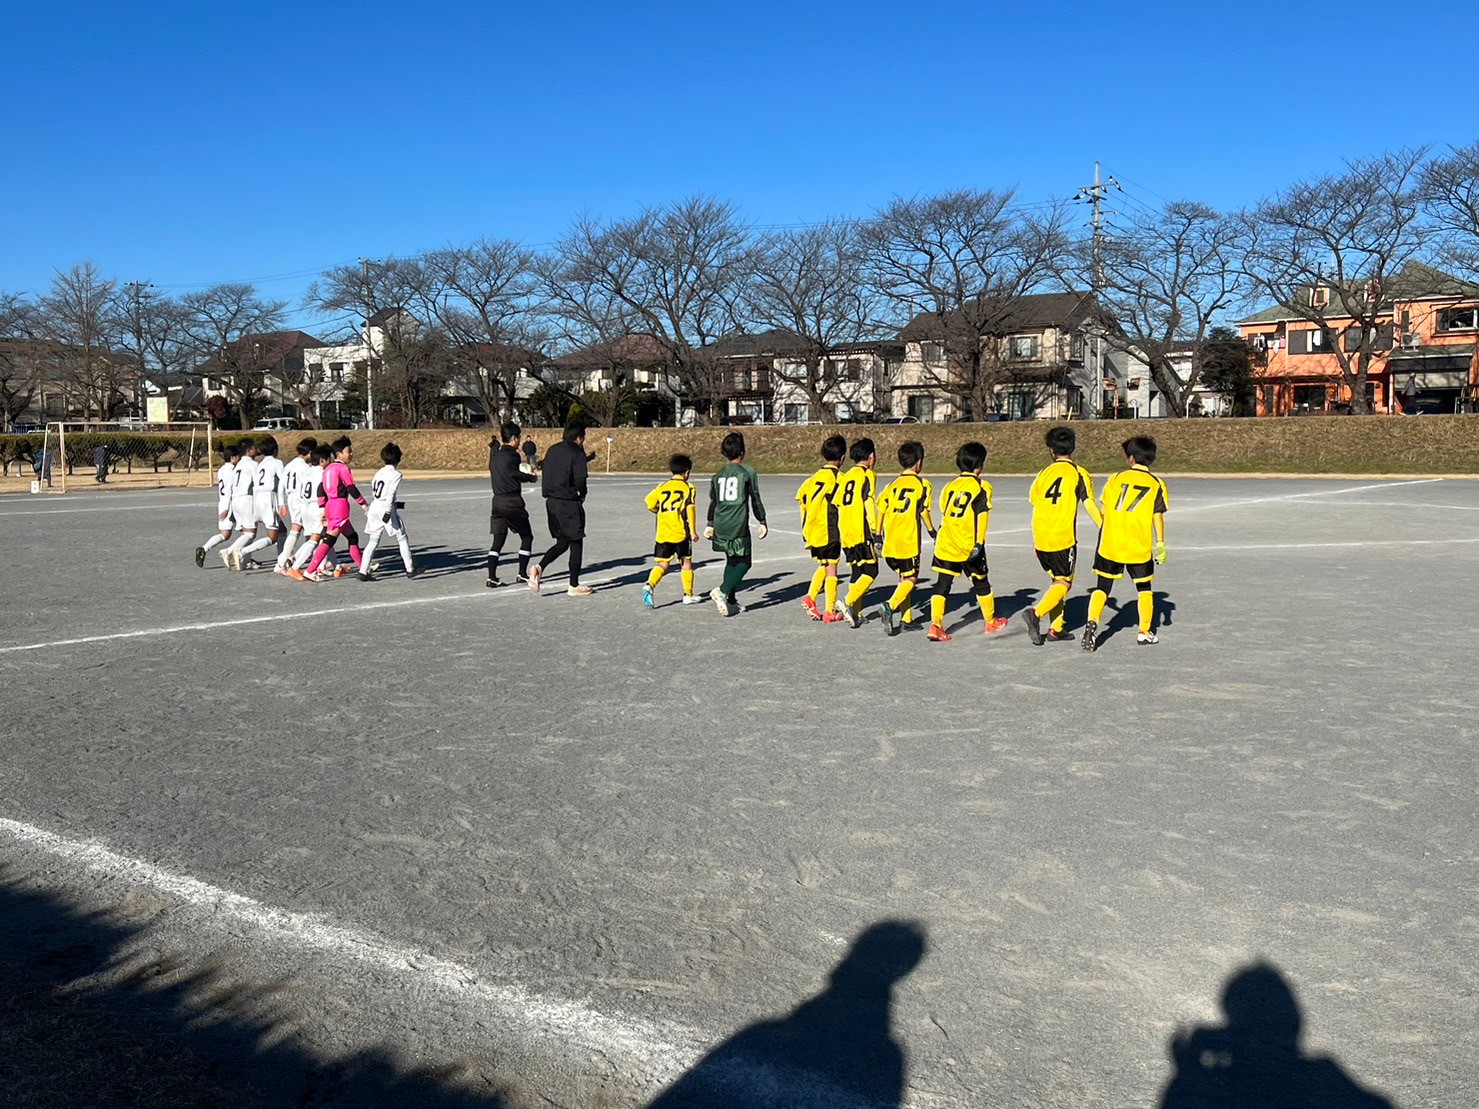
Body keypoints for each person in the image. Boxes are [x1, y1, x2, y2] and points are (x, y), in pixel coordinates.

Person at [1084, 435, 1169, 652]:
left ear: (1131, 459)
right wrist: (1160, 543)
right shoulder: (1156, 484)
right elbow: (1157, 515)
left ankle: (1092, 623)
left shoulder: (1116, 478)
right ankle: (1144, 631)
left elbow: (1103, 508)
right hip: (1137, 545)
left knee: (1102, 586)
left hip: (1110, 542)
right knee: (1144, 588)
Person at [1022, 426, 1101, 645]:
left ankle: (1056, 628)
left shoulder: (1042, 474)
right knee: (1064, 582)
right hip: (1062, 537)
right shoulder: (1078, 472)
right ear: (1073, 448)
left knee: (1056, 581)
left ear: (1051, 451)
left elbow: (1035, 503)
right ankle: (1035, 614)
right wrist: (1105, 528)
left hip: (1041, 536)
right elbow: (1090, 505)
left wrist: (1036, 538)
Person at [926, 441, 1008, 643]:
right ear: (979, 465)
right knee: (981, 582)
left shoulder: (949, 486)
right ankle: (990, 621)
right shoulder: (981, 486)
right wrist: (979, 543)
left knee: (942, 585)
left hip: (946, 542)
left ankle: (935, 625)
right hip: (968, 544)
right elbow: (982, 515)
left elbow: (945, 512)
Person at [873, 441, 935, 636]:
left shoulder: (892, 485)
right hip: (908, 542)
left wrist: (877, 534)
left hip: (891, 541)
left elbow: (880, 508)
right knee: (911, 578)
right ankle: (889, 606)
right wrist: (933, 531)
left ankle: (906, 619)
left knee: (903, 578)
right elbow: (923, 511)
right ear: (919, 463)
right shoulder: (922, 484)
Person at [704, 432, 767, 617]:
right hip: (737, 523)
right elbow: (755, 498)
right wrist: (762, 520)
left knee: (731, 560)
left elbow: (713, 501)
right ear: (742, 452)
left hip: (720, 522)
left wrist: (710, 523)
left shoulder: (718, 475)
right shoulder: (747, 472)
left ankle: (731, 601)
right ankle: (722, 591)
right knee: (745, 562)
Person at [530, 423, 592, 597]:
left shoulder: (552, 450)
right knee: (576, 541)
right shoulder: (577, 452)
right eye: (583, 438)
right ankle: (573, 585)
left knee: (563, 541)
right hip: (568, 502)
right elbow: (580, 478)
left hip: (551, 502)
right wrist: (582, 494)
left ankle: (538, 568)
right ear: (579, 438)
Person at [797, 434, 846, 623]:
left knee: (825, 564)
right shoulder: (839, 478)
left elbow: (801, 499)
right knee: (832, 569)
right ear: (842, 458)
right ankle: (830, 611)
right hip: (829, 529)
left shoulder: (812, 479)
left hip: (812, 529)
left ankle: (810, 597)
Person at [305, 436, 370, 579]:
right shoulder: (342, 468)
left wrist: (322, 507)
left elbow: (320, 489)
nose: (351, 454)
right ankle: (310, 570)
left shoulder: (328, 468)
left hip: (330, 505)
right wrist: (364, 504)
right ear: (339, 454)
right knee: (329, 540)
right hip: (339, 506)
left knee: (353, 537)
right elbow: (351, 488)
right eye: (349, 451)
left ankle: (364, 567)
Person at [643, 453, 702, 608]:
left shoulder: (662, 487)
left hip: (662, 532)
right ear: (687, 472)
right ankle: (688, 595)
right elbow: (690, 510)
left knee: (663, 565)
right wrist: (693, 531)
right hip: (680, 532)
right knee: (686, 562)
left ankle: (649, 585)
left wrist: (659, 512)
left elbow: (649, 502)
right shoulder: (688, 488)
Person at [834, 438, 880, 629]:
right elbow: (868, 502)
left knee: (857, 571)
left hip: (846, 530)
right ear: (871, 457)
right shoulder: (867, 474)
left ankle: (856, 613)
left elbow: (838, 502)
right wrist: (876, 530)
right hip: (861, 530)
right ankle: (847, 602)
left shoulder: (846, 476)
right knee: (872, 571)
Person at [487, 422, 538, 588]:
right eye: (519, 438)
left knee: (497, 542)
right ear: (514, 438)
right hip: (512, 501)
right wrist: (531, 477)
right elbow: (514, 473)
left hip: (497, 502)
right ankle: (522, 574)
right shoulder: (513, 455)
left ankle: (492, 577)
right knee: (527, 537)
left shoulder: (495, 455)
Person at [359, 442, 416, 580]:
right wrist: (389, 510)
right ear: (398, 459)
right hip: (385, 508)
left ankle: (363, 570)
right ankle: (410, 569)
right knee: (402, 537)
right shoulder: (396, 474)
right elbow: (390, 493)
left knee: (373, 540)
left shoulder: (378, 472)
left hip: (375, 506)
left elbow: (376, 491)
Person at [286, 444, 335, 581]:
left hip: (304, 506)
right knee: (315, 539)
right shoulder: (323, 473)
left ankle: (324, 566)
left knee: (323, 537)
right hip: (316, 507)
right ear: (322, 461)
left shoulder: (307, 471)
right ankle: (295, 566)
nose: (330, 462)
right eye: (329, 459)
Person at [238, 436, 286, 570]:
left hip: (258, 498)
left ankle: (281, 560)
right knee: (272, 537)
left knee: (282, 530)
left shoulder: (260, 464)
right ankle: (242, 551)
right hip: (269, 497)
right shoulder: (277, 463)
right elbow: (283, 482)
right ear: (276, 449)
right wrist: (282, 503)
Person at [274, 437, 318, 575]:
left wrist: (282, 502)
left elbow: (281, 485)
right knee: (303, 529)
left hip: (291, 498)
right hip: (301, 499)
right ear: (310, 453)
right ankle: (282, 562)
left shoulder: (289, 465)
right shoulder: (305, 468)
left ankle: (315, 559)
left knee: (304, 529)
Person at [195, 441, 241, 567]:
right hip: (230, 504)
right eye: (238, 456)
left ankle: (204, 549)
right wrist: (227, 509)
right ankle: (244, 556)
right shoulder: (232, 472)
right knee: (247, 531)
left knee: (225, 535)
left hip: (222, 503)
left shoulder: (221, 470)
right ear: (233, 458)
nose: (240, 459)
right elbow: (229, 490)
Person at [220, 439, 260, 571]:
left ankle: (245, 561)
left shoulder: (238, 465)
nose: (256, 450)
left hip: (236, 501)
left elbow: (229, 487)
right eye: (254, 447)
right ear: (249, 451)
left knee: (246, 532)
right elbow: (257, 485)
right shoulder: (253, 465)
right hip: (246, 500)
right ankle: (230, 550)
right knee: (250, 534)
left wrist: (227, 507)